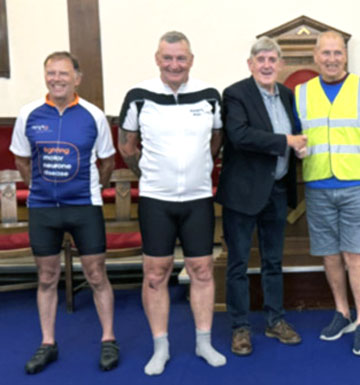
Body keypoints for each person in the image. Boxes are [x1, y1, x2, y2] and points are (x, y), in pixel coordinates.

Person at [117, 31, 225, 375]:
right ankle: (160, 346)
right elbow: (127, 146)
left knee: (202, 270)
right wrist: (151, 173)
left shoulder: (209, 95)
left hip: (197, 198)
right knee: (155, 273)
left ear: (191, 60)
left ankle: (204, 342)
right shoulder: (138, 96)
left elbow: (216, 140)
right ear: (157, 59)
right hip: (156, 200)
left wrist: (198, 168)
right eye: (168, 58)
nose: (174, 64)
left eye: (181, 58)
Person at [13, 51, 119, 373]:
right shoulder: (29, 114)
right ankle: (48, 343)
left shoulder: (93, 116)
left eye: (63, 73)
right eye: (51, 73)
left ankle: (108, 339)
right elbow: (21, 159)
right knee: (47, 277)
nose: (56, 79)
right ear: (45, 76)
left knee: (96, 274)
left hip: (84, 206)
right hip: (43, 208)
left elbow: (108, 162)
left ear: (77, 78)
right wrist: (40, 188)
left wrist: (93, 190)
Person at [294, 30, 360, 356]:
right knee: (330, 255)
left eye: (337, 53)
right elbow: (296, 136)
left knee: (356, 255)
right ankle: (342, 311)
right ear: (315, 57)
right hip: (318, 185)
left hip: (358, 185)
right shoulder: (301, 93)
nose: (332, 59)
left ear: (346, 56)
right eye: (326, 53)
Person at [219, 37, 305, 357]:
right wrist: (287, 141)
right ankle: (240, 327)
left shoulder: (287, 94)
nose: (267, 65)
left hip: (277, 190)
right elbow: (239, 135)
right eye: (261, 59)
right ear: (250, 64)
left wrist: (300, 148)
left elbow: (295, 134)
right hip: (242, 193)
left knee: (273, 261)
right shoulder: (235, 93)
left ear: (280, 64)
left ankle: (275, 320)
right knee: (238, 263)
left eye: (272, 59)